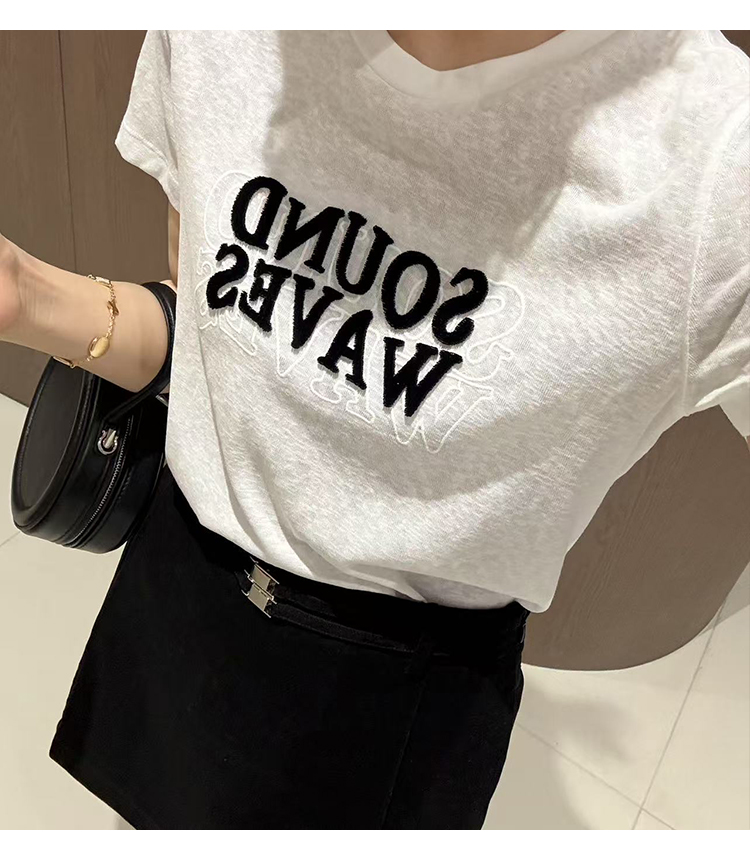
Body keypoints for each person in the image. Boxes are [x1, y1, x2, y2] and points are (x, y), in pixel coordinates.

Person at [0, 29, 748, 830]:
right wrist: (26, 296)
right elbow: (215, 344)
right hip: (179, 581)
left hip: (389, 694)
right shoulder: (220, 32)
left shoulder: (715, 164)